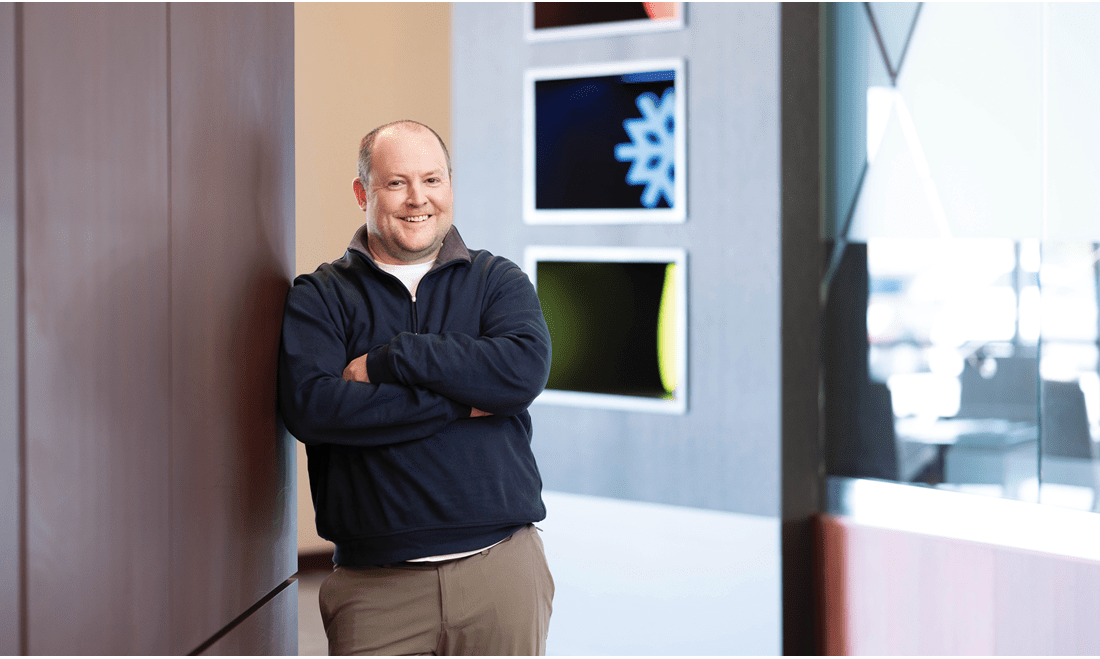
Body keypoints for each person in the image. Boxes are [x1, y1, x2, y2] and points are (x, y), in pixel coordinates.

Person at [278, 120, 555, 656]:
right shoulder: (320, 297)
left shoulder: (497, 281)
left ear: (449, 185)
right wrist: (462, 402)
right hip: (376, 589)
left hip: (502, 573)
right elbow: (314, 409)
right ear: (363, 193)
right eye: (396, 182)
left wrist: (392, 360)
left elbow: (523, 372)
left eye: (432, 180)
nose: (417, 199)